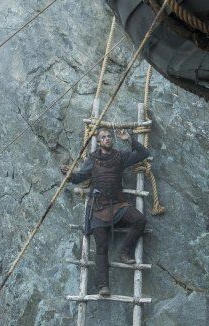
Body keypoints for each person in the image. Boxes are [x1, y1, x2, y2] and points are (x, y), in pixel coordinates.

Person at [61, 127, 150, 297]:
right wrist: (70, 175)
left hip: (118, 205)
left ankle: (125, 252)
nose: (107, 139)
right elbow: (80, 178)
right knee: (101, 247)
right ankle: (103, 286)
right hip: (98, 208)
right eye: (104, 137)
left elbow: (143, 153)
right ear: (99, 141)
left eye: (109, 136)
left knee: (140, 220)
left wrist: (128, 139)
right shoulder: (92, 159)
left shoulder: (120, 157)